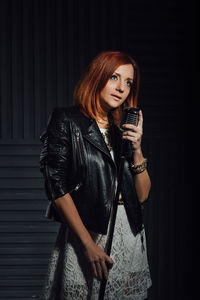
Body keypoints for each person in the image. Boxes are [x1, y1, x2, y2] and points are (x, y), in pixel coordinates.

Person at [39, 50, 152, 300]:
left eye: (128, 82)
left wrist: (137, 149)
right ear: (97, 77)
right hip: (88, 232)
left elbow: (142, 195)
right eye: (114, 77)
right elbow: (56, 188)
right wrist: (88, 245)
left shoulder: (122, 129)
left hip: (128, 232)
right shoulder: (67, 120)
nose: (121, 87)